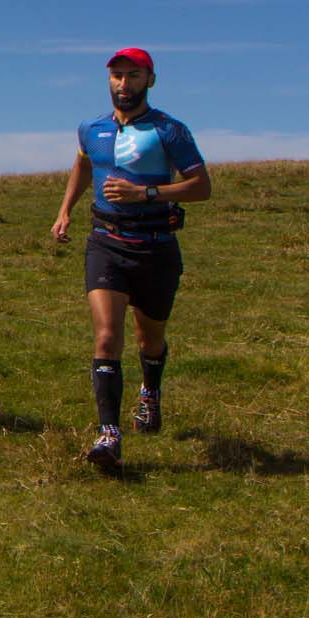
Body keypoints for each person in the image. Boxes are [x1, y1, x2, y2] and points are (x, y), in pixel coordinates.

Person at [51, 48, 211, 474]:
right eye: (118, 76)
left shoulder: (169, 130)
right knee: (106, 338)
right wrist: (65, 209)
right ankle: (109, 434)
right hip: (106, 241)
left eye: (133, 76)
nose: (124, 84)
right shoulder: (91, 128)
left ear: (150, 81)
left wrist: (148, 194)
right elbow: (84, 165)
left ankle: (150, 393)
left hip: (156, 246)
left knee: (149, 339)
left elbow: (201, 186)